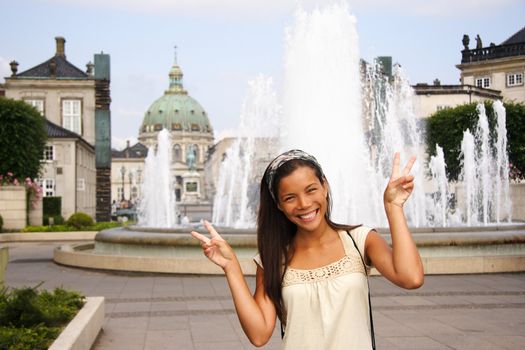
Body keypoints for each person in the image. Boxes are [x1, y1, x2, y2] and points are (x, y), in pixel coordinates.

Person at [191, 149, 424, 349]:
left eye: (311, 190)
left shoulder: (360, 240)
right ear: (279, 205)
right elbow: (259, 334)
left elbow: (411, 278)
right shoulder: (273, 260)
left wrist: (393, 207)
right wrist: (231, 268)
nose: (304, 204)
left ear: (325, 186)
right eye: (290, 197)